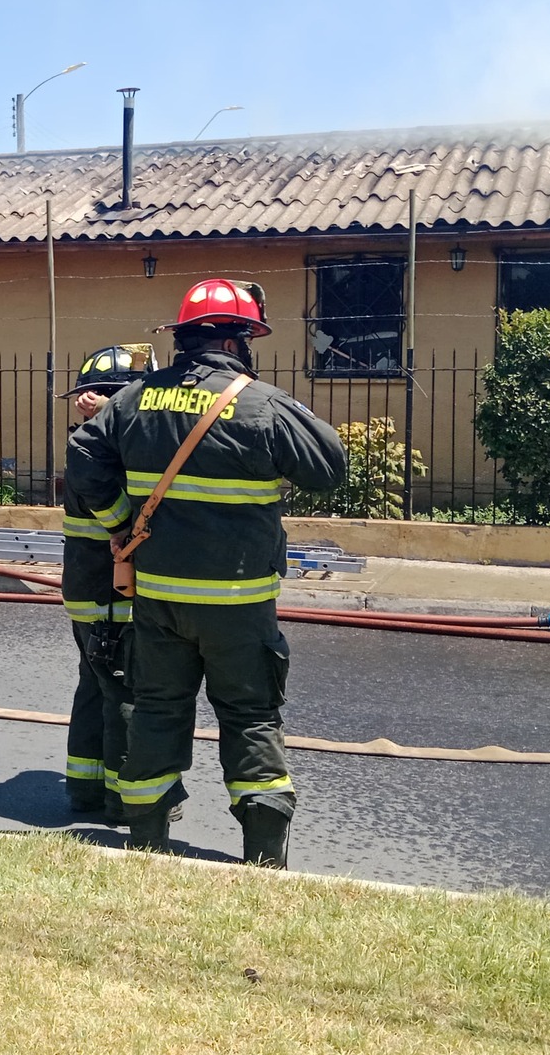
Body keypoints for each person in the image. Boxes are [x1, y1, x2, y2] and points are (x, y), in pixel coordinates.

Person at [66, 280, 345, 864]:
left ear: (184, 339)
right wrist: (271, 404)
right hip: (239, 604)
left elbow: (84, 454)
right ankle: (264, 859)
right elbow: (330, 467)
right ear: (239, 342)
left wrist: (120, 525)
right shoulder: (261, 402)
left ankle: (147, 848)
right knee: (248, 714)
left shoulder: (133, 399)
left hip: (159, 598)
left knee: (158, 709)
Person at [58, 345, 156, 823]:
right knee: (124, 693)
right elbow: (124, 515)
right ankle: (122, 801)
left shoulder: (88, 443)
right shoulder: (108, 451)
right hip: (111, 595)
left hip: (87, 590)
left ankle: (85, 789)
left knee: (94, 687)